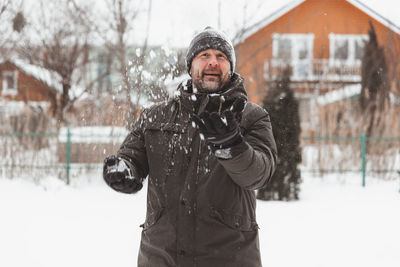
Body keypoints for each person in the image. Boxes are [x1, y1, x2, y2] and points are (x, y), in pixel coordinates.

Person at [103, 26, 277, 267]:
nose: (213, 62)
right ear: (191, 65)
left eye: (221, 56)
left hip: (229, 258)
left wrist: (231, 146)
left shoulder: (251, 117)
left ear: (230, 67)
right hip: (161, 257)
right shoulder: (156, 116)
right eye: (204, 55)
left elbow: (259, 174)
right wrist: (124, 171)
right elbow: (132, 158)